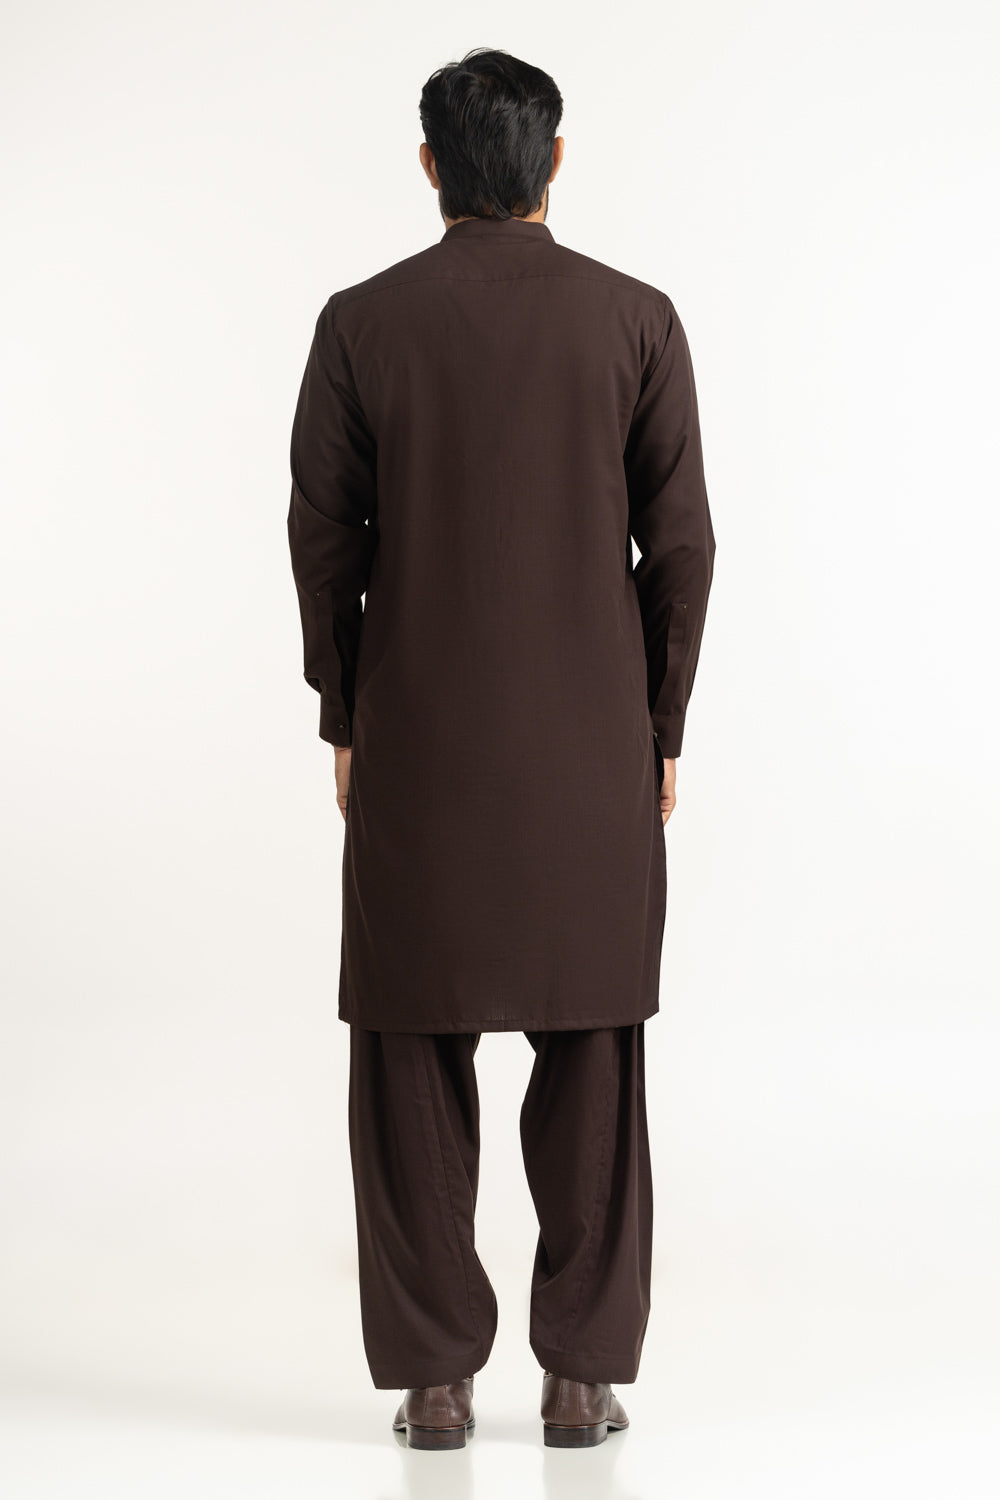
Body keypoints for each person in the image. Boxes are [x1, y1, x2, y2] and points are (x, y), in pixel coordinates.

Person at [286, 46, 716, 1451]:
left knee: (410, 1046)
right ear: (556, 161)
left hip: (418, 743)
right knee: (593, 1045)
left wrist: (345, 711)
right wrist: (660, 725)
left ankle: (434, 1380)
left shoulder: (361, 324)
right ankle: (581, 1378)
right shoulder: (637, 320)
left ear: (431, 168)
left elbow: (323, 540)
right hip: (593, 751)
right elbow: (682, 545)